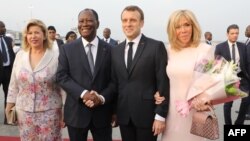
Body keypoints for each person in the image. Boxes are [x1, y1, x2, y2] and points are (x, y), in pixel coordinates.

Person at [106, 5, 169, 141]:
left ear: (141, 23)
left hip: (148, 116)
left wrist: (160, 115)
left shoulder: (156, 47)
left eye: (133, 20)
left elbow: (163, 82)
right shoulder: (115, 50)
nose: (128, 24)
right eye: (125, 20)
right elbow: (115, 83)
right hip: (124, 116)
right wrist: (114, 111)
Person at [155, 9, 214, 141]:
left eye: (187, 25)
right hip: (171, 113)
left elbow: (210, 83)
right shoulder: (168, 50)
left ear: (193, 26)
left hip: (196, 113)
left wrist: (205, 100)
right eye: (178, 27)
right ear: (172, 30)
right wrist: (157, 92)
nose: (183, 30)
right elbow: (162, 79)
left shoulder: (204, 49)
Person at [56, 8, 114, 141]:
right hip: (76, 113)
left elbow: (114, 80)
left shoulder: (111, 50)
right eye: (81, 21)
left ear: (97, 23)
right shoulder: (66, 49)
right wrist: (84, 94)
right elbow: (62, 76)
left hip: (102, 114)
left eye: (89, 20)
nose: (84, 24)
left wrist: (101, 98)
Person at [5, 19, 63, 140]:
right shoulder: (20, 55)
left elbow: (63, 86)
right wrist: (9, 105)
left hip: (50, 112)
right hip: (24, 112)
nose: (33, 36)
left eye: (37, 32)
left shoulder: (56, 56)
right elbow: (13, 84)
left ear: (44, 35)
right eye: (29, 33)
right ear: (26, 36)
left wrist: (66, 110)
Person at [215, 24, 249, 125]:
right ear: (227, 34)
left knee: (246, 100)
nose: (235, 35)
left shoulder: (243, 46)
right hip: (228, 79)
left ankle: (239, 123)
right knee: (228, 104)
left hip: (242, 77)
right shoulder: (220, 47)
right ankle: (228, 125)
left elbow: (246, 63)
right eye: (232, 33)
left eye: (237, 33)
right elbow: (217, 65)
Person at [0, 20, 15, 125]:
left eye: (4, 27)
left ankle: (8, 118)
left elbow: (12, 55)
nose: (4, 28)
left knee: (9, 95)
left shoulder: (8, 39)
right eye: (2, 27)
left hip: (8, 71)